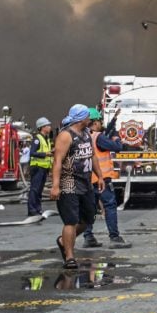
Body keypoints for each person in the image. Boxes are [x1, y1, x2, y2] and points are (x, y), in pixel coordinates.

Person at [50, 104, 103, 269]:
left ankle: (63, 241)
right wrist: (55, 185)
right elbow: (57, 161)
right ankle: (70, 257)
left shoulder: (87, 133)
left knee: (88, 219)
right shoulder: (66, 136)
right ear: (81, 118)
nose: (91, 119)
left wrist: (100, 176)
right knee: (71, 221)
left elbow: (92, 156)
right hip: (69, 182)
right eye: (88, 116)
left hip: (85, 182)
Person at [85, 107, 131, 249]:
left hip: (87, 179)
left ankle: (88, 236)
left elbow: (104, 132)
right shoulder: (98, 137)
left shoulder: (84, 136)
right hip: (101, 179)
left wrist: (114, 120)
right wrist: (117, 138)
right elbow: (115, 146)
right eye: (99, 121)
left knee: (90, 208)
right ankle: (114, 237)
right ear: (94, 122)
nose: (101, 124)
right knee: (110, 205)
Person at [28, 117, 53, 216]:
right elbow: (32, 153)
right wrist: (45, 154)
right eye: (48, 125)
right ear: (42, 127)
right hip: (37, 167)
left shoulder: (46, 138)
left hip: (43, 168)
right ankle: (32, 209)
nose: (50, 127)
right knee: (35, 189)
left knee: (39, 189)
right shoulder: (37, 139)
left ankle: (38, 208)